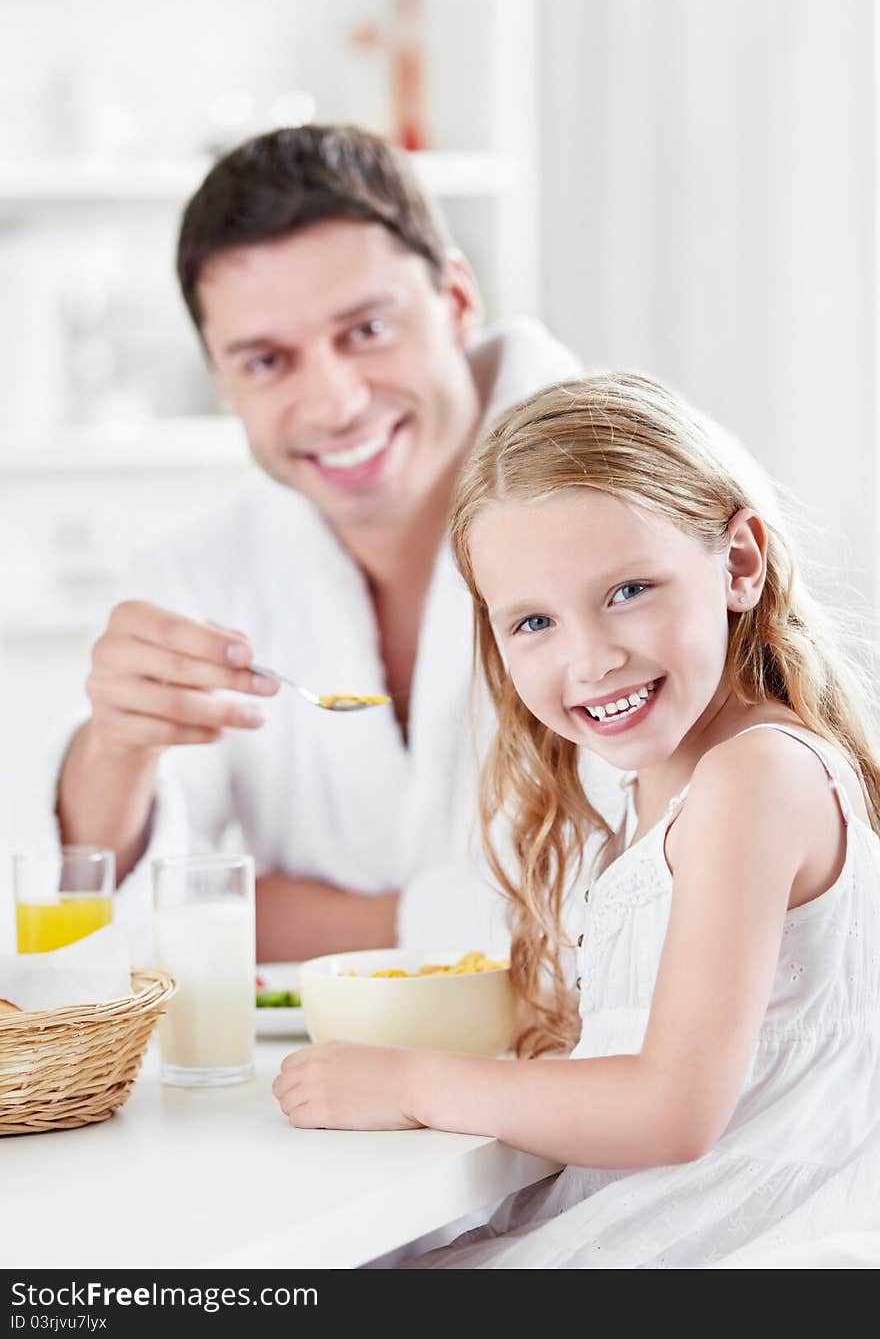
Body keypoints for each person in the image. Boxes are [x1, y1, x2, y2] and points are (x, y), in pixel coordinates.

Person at [272, 373, 880, 1268]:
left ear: (739, 564)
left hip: (708, 1246)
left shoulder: (756, 778)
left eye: (629, 590)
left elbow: (671, 1110)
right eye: (534, 622)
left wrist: (407, 1081)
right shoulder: (673, 788)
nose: (589, 659)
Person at [43, 124, 616, 964]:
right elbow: (102, 931)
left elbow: (677, 891)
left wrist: (292, 923)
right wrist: (116, 746)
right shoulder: (198, 573)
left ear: (457, 301)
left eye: (367, 331)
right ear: (220, 377)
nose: (336, 403)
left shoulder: (643, 506)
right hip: (311, 1086)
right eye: (268, 362)